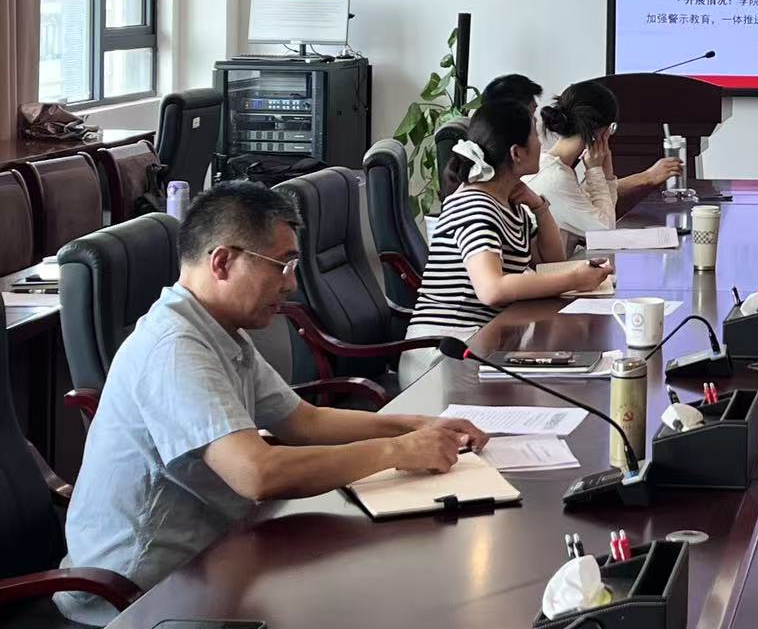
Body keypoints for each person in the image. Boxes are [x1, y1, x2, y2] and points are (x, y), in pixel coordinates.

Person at [55, 183, 490, 625]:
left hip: (213, 557)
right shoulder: (173, 347)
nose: (292, 283)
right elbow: (256, 473)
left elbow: (303, 421)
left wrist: (418, 425)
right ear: (222, 261)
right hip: (137, 594)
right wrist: (398, 451)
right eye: (282, 265)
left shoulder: (219, 329)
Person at [403, 100, 611, 383]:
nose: (541, 143)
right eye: (535, 136)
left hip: (483, 342)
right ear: (516, 153)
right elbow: (492, 289)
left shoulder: (510, 203)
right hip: (444, 355)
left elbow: (551, 261)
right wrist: (574, 279)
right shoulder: (476, 205)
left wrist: (539, 207)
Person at [486, 72, 680, 204]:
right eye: (530, 115)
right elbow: (601, 228)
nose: (536, 124)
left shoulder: (550, 167)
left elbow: (581, 201)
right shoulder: (543, 173)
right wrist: (599, 171)